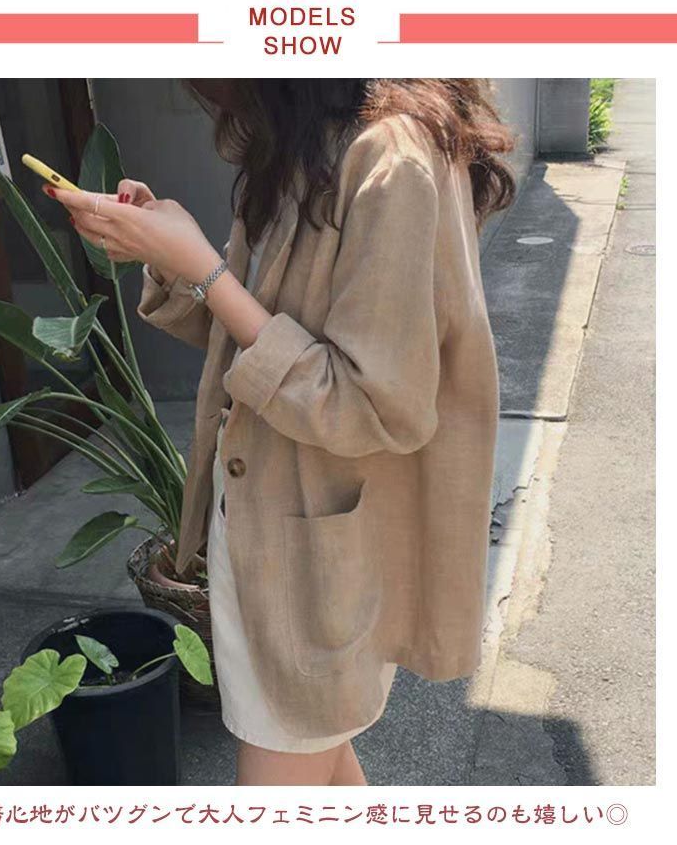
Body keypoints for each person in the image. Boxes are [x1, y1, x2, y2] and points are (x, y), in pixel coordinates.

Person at [43, 78, 516, 786]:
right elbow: (252, 334)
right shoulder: (306, 142)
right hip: (264, 528)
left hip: (317, 561)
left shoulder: (391, 158)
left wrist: (204, 269)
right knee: (325, 766)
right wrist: (167, 254)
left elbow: (374, 404)